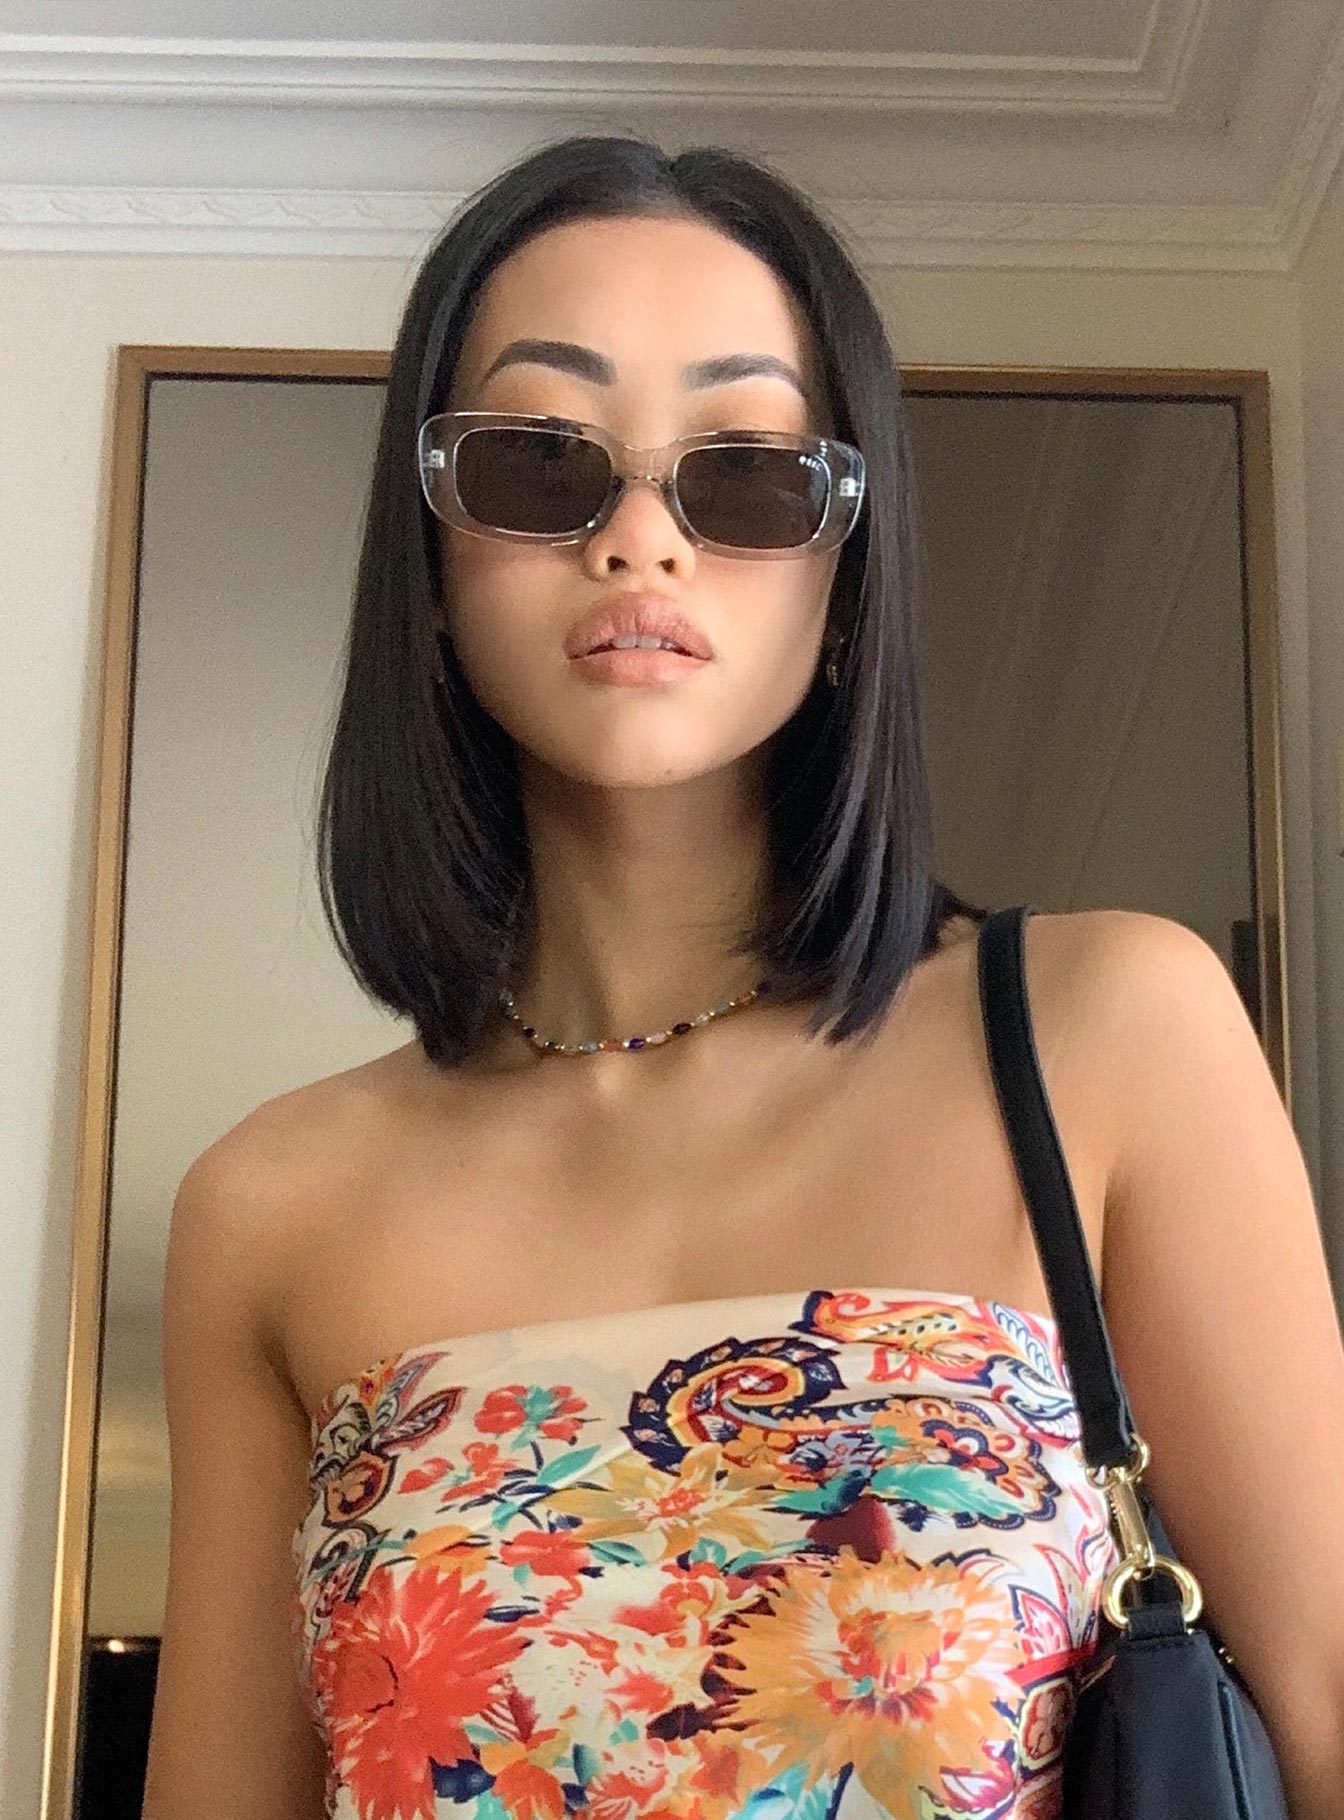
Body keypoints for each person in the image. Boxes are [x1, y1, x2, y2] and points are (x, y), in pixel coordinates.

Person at [142, 135, 1344, 1820]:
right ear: (430, 554)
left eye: (749, 477)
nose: (641, 537)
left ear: (847, 574)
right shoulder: (270, 1210)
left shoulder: (1108, 1033)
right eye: (541, 463)